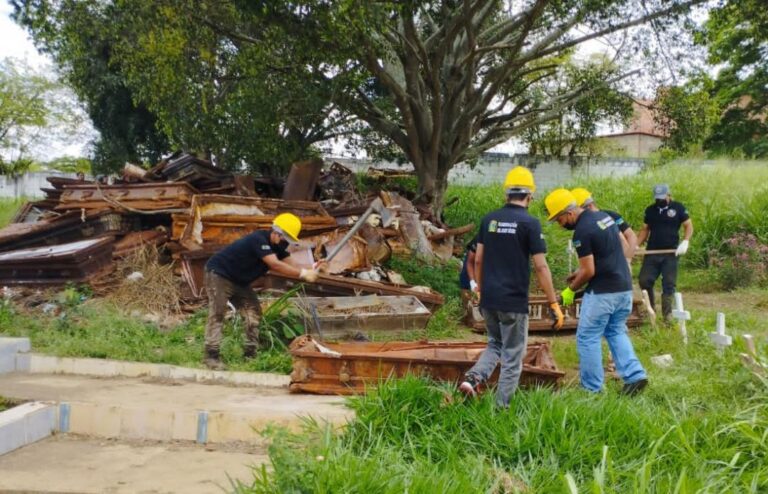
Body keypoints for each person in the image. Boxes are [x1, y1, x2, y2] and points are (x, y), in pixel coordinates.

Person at [458, 166, 564, 407]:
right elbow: (541, 267)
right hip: (513, 302)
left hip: (489, 299)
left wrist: (481, 288)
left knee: (495, 344)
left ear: (506, 194)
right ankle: (501, 409)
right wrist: (553, 303)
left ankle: (474, 379)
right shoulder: (530, 223)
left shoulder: (489, 220)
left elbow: (478, 259)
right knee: (513, 357)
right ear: (530, 196)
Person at [545, 188, 648, 395]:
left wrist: (570, 291)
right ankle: (635, 375)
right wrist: (580, 272)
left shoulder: (581, 232)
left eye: (559, 219)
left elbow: (589, 270)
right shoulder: (604, 218)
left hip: (603, 293)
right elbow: (611, 252)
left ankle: (591, 389)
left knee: (587, 336)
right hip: (624, 288)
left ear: (569, 213)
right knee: (615, 330)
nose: (560, 224)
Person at [203, 213, 322, 369]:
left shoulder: (279, 246)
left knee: (253, 315)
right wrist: (303, 274)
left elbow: (292, 264)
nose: (285, 242)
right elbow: (275, 265)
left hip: (240, 281)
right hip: (219, 274)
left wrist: (313, 268)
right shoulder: (258, 239)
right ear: (276, 232)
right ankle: (211, 357)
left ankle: (250, 355)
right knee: (218, 312)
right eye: (284, 238)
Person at [636, 184, 693, 322]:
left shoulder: (678, 208)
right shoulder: (650, 210)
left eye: (662, 197)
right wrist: (636, 244)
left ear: (668, 194)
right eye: (657, 198)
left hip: (671, 253)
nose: (659, 200)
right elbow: (645, 229)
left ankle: (667, 315)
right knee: (644, 280)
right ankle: (651, 310)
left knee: (669, 283)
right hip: (652, 252)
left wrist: (685, 241)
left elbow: (688, 225)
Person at [571, 188, 638, 260]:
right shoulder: (583, 225)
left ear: (589, 206)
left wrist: (628, 257)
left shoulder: (611, 216)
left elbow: (631, 235)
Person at [458, 234, 482, 328]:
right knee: (465, 282)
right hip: (473, 257)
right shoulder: (480, 239)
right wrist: (473, 282)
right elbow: (471, 262)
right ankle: (467, 314)